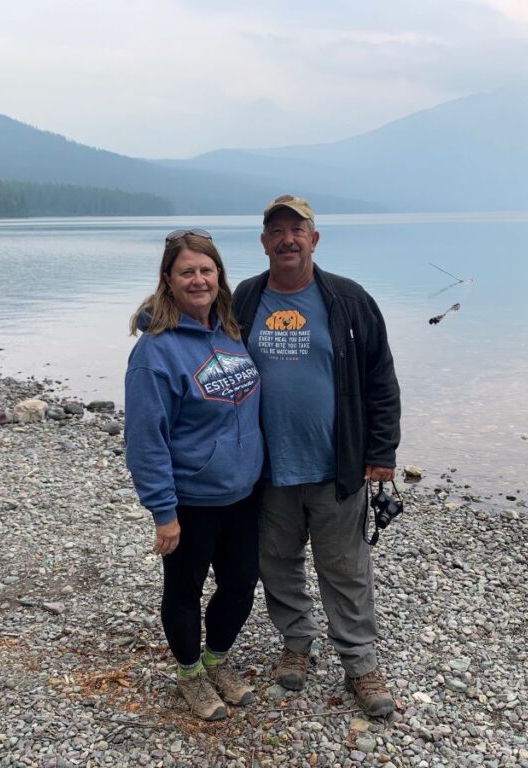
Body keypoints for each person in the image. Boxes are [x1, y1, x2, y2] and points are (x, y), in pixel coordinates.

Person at [233, 195, 401, 717]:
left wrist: (382, 450)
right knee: (277, 561)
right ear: (263, 243)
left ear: (314, 239)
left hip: (336, 464)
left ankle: (360, 663)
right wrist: (153, 317)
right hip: (267, 465)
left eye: (297, 229)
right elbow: (198, 330)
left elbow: (381, 378)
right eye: (277, 231)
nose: (287, 239)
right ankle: (297, 643)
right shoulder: (244, 298)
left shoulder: (348, 299)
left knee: (345, 567)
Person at [124, 229, 264, 721]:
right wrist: (164, 513)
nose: (198, 279)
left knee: (242, 584)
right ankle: (189, 674)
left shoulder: (229, 328)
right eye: (187, 271)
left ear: (219, 275)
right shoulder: (155, 352)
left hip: (244, 494)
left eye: (207, 269)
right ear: (169, 279)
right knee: (183, 592)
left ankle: (216, 660)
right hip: (191, 499)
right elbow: (145, 439)